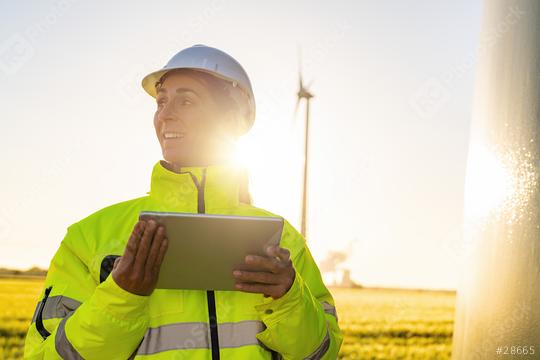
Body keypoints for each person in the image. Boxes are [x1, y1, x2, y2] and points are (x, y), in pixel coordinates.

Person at [24, 44, 343, 359]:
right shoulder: (87, 239)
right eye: (161, 102)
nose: (165, 114)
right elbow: (45, 356)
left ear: (231, 117)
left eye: (186, 101)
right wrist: (120, 295)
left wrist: (289, 298)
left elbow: (322, 353)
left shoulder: (284, 241)